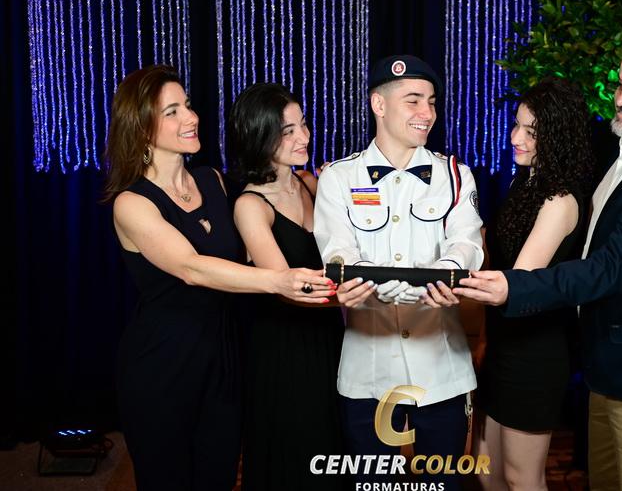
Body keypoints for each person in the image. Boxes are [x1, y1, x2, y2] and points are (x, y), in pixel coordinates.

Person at [455, 31, 622, 491]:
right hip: (608, 367)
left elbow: (613, 267)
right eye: (621, 85)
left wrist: (517, 286)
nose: (621, 99)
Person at [104, 65, 334, 490]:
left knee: (219, 478)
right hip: (163, 365)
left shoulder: (212, 180)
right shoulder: (132, 203)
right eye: (172, 111)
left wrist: (309, 165)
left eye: (188, 105)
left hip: (225, 359)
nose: (191, 117)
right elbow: (191, 268)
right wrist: (277, 281)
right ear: (141, 127)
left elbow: (265, 193)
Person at [313, 55, 484, 490]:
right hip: (368, 373)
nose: (427, 112)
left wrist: (441, 277)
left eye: (431, 101)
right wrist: (383, 287)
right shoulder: (339, 177)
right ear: (379, 104)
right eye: (413, 100)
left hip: (441, 372)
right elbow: (338, 250)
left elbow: (466, 243)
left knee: (442, 485)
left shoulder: (455, 174)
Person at [226, 82, 374, 490]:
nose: (304, 136)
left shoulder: (311, 182)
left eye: (303, 124)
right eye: (287, 131)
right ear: (259, 136)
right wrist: (355, 295)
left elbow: (362, 229)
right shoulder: (250, 205)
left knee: (335, 447)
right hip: (283, 348)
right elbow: (286, 288)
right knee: (296, 454)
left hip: (331, 337)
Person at [474, 77, 593, 491]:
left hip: (535, 353)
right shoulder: (523, 183)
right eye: (516, 125)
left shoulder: (560, 200)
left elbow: (518, 282)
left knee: (521, 478)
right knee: (486, 472)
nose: (515, 138)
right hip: (503, 343)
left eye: (531, 132)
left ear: (557, 137)